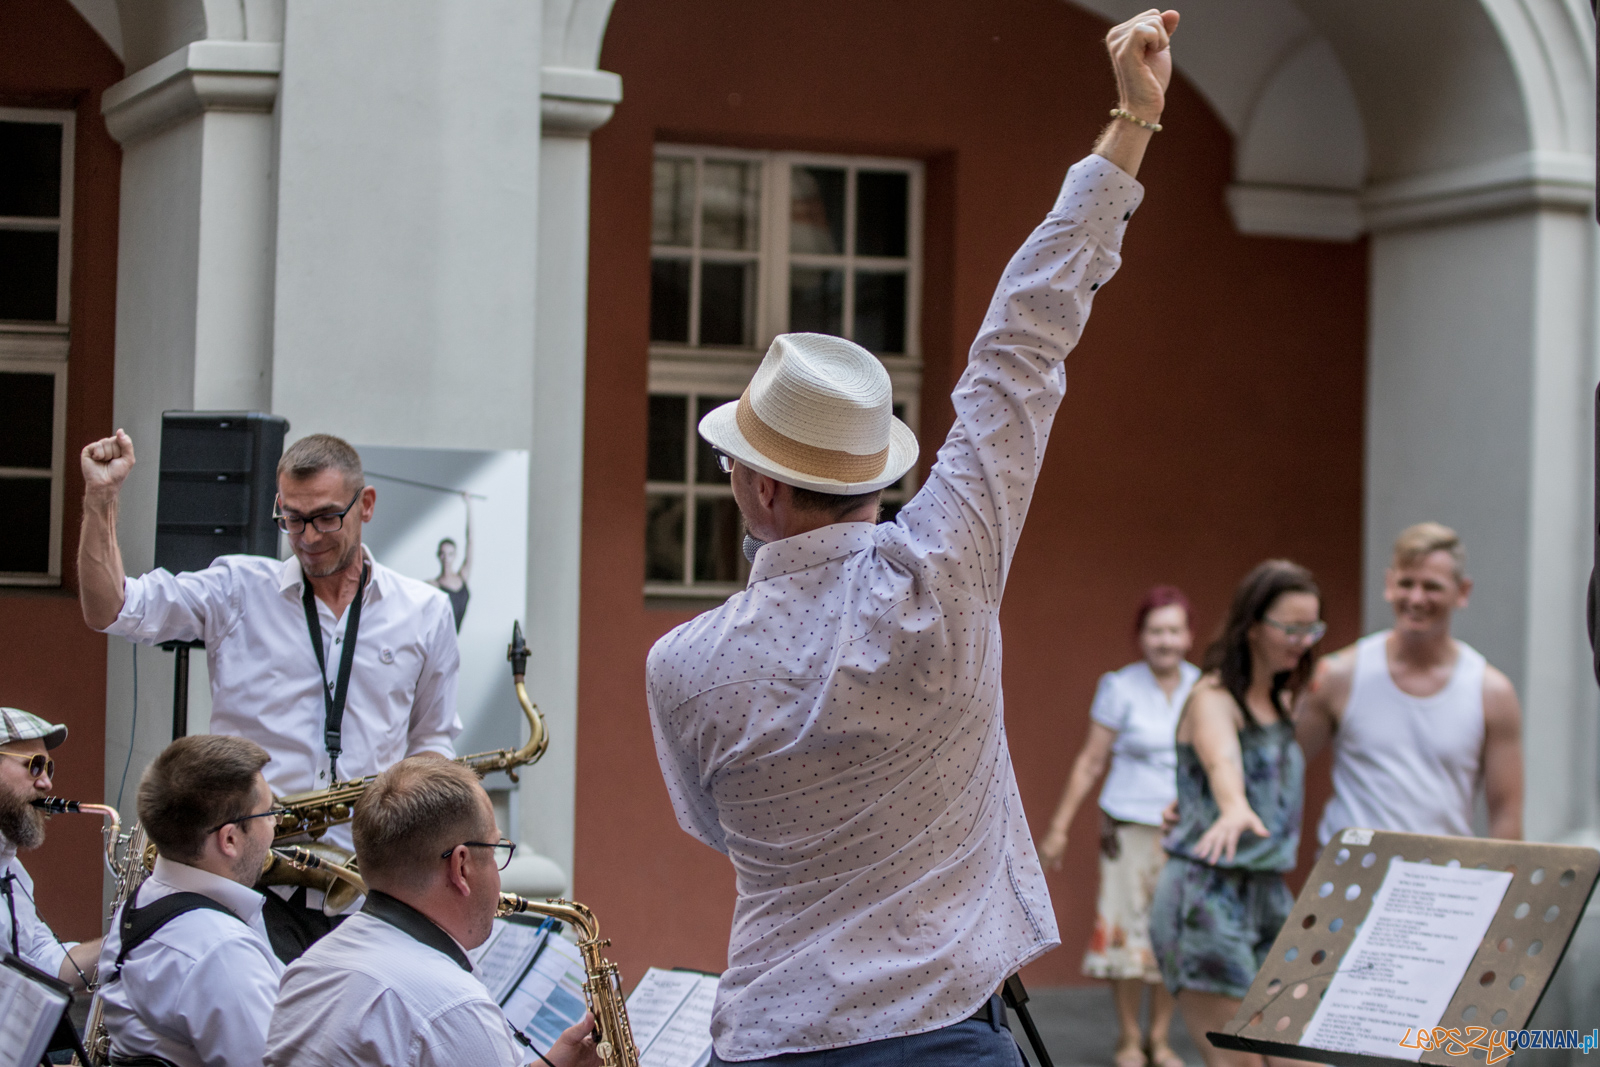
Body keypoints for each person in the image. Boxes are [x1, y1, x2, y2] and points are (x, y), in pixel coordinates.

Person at [645, 11, 1180, 1063]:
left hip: (769, 1036)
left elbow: (717, 827)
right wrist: (1131, 121)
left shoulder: (681, 664)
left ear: (756, 485)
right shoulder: (943, 575)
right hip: (943, 1035)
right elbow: (1019, 347)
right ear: (873, 476)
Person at [77, 431, 462, 961]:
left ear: (366, 504)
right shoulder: (236, 587)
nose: (308, 537)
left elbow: (432, 740)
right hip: (247, 880)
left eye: (326, 517)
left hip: (367, 890)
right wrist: (101, 498)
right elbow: (111, 608)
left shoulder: (426, 610)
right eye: (292, 519)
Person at [263, 757, 600, 1067]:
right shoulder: (454, 1009)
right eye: (495, 850)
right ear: (461, 866)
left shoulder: (308, 968)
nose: (498, 875)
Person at [1149, 561, 1320, 1067]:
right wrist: (1232, 806)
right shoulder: (1212, 697)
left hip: (1268, 893)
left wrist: (1191, 801)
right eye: (1290, 628)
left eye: (1311, 628)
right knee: (1240, 1062)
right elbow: (1221, 760)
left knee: (1301, 1055)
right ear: (1253, 626)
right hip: (1205, 895)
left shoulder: (1282, 699)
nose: (1302, 641)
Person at [1037, 587, 1199, 1067]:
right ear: (1141, 636)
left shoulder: (1203, 688)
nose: (1165, 641)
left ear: (1188, 636)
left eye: (1174, 630)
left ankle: (1160, 1038)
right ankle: (1129, 1037)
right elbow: (1091, 761)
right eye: (1156, 631)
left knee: (1172, 934)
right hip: (1128, 827)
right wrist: (1059, 827)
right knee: (1126, 931)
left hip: (1185, 832)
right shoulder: (1119, 687)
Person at [1296, 522, 1523, 843]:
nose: (1416, 599)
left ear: (1462, 592)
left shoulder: (1491, 692)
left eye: (1432, 587)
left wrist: (1507, 874)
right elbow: (1279, 768)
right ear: (1389, 585)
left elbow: (1506, 814)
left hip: (1442, 870)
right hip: (1351, 870)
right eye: (1406, 584)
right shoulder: (1338, 675)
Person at [93, 735, 284, 1067]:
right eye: (269, 813)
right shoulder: (222, 953)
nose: (275, 824)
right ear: (229, 839)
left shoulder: (140, 903)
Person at [0, 707, 101, 988]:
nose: (46, 782)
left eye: (48, 768)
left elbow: (40, 958)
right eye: (34, 765)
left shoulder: (13, 872)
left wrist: (126, 940)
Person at [427, 492, 474, 632]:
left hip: (455, 638)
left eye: (450, 554)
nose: (446, 558)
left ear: (455, 556)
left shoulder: (462, 576)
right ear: (438, 556)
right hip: (441, 638)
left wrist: (469, 505)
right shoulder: (434, 585)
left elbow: (470, 540)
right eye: (443, 554)